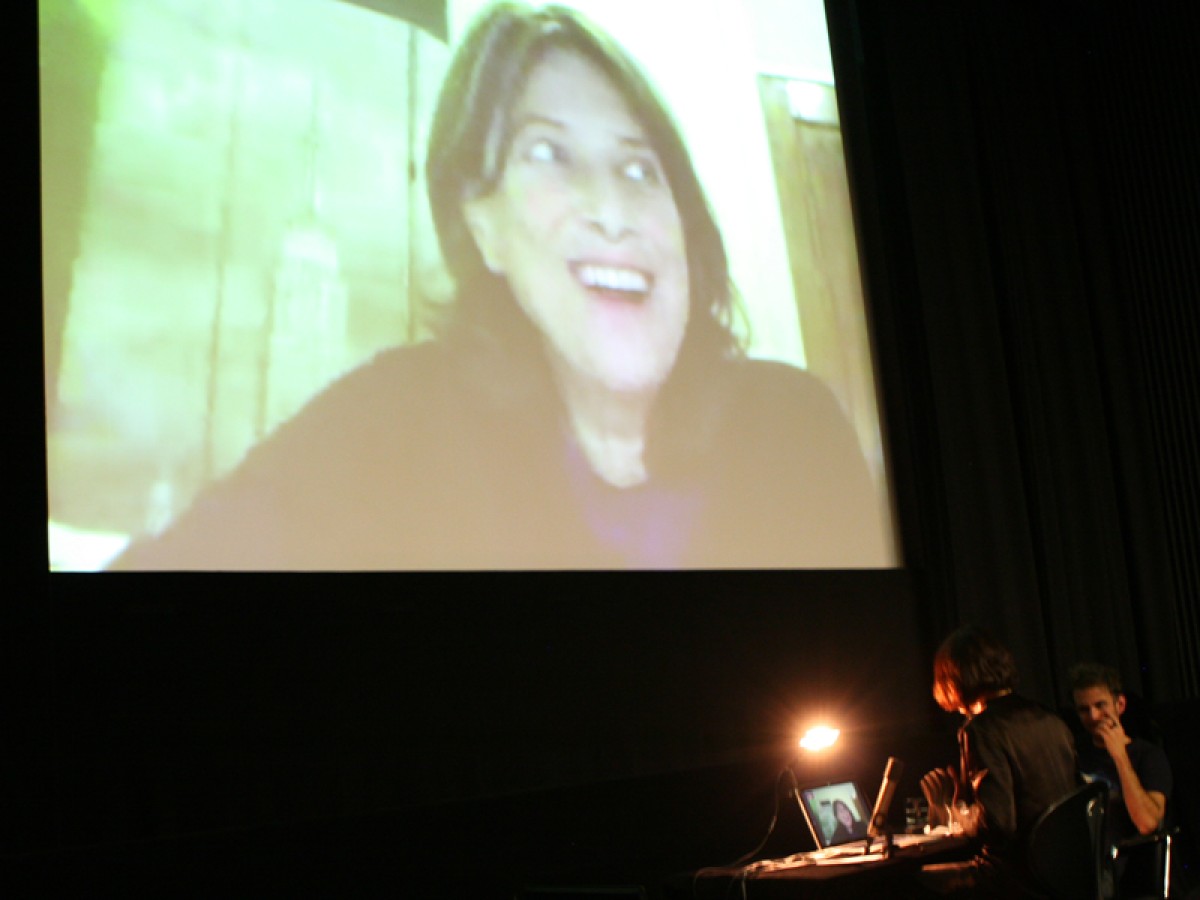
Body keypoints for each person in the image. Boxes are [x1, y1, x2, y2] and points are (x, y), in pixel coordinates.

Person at [110, 2, 888, 571]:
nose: (611, 207)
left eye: (638, 168)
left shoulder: (796, 426)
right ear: (481, 226)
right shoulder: (390, 423)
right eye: (548, 154)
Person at [917, 626, 1079, 898]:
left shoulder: (980, 730)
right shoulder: (1051, 719)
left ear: (954, 679)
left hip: (1016, 876)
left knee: (910, 881)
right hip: (1068, 872)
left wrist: (951, 812)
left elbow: (998, 825)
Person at [1069, 662, 1172, 896]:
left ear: (1120, 704)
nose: (1093, 716)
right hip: (1085, 868)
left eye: (1100, 705)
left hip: (1129, 870)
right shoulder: (1074, 754)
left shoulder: (1147, 755)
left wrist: (1119, 757)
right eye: (1084, 709)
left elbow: (1147, 822)